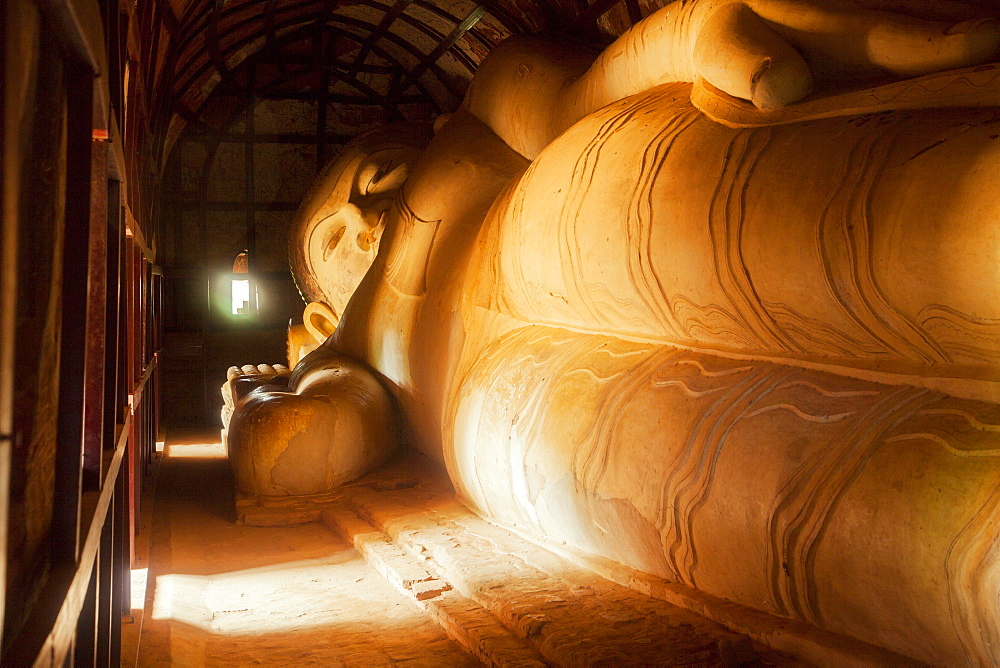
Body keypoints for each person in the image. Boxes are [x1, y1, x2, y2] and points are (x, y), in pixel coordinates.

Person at [228, 1, 1000, 662]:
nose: (364, 221)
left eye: (368, 180)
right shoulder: (355, 347)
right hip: (504, 411)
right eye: (336, 244)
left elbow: (577, 93)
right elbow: (307, 442)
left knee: (893, 230)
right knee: (834, 512)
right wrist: (270, 409)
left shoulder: (469, 137)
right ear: (325, 311)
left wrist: (687, 30)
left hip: (559, 210)